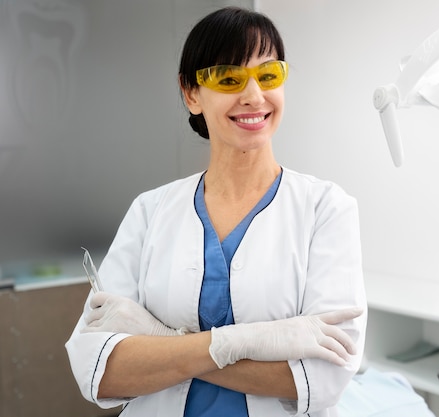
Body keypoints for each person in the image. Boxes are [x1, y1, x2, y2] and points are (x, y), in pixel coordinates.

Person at [65, 6, 367, 417]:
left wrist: (159, 340)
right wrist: (242, 343)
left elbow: (323, 378)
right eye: (229, 78)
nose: (254, 96)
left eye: (268, 75)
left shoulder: (326, 209)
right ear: (191, 94)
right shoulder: (151, 211)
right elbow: (98, 370)